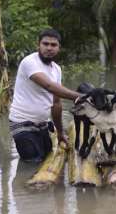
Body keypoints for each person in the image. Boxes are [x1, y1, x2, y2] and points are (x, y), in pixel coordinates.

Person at [8, 28, 82, 163]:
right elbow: (49, 86)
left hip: (42, 125)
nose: (49, 48)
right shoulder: (30, 62)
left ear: (59, 48)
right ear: (38, 45)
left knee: (46, 159)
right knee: (32, 163)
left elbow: (56, 103)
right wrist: (80, 97)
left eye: (53, 45)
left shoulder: (56, 69)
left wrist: (59, 132)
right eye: (45, 44)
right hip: (22, 124)